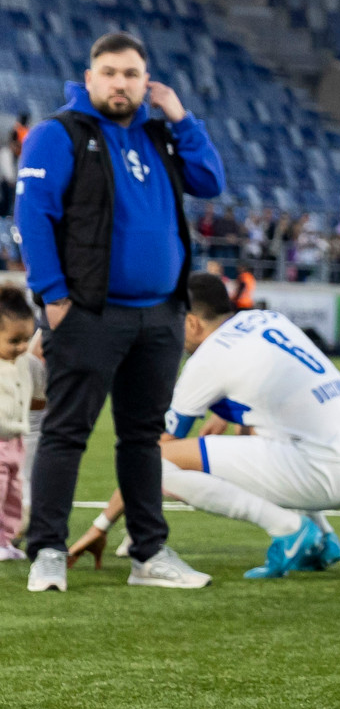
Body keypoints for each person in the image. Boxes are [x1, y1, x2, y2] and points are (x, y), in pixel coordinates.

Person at [20, 30, 228, 594]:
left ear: (147, 82)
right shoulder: (58, 134)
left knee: (143, 438)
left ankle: (148, 552)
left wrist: (181, 117)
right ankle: (47, 550)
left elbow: (210, 181)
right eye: (109, 73)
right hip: (88, 313)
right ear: (90, 78)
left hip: (160, 316)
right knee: (66, 432)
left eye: (131, 74)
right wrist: (54, 298)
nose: (120, 83)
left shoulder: (161, 135)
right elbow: (33, 217)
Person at [137, 272, 340, 579]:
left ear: (192, 323)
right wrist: (225, 416)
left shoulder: (208, 358)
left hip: (326, 474)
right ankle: (324, 538)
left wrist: (103, 524)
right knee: (263, 433)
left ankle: (289, 529)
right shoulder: (266, 319)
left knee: (155, 464)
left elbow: (154, 452)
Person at [0, 287, 44, 560]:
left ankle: (6, 541)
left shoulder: (27, 363)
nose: (21, 347)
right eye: (13, 340)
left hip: (16, 441)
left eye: (26, 339)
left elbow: (39, 398)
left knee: (13, 495)